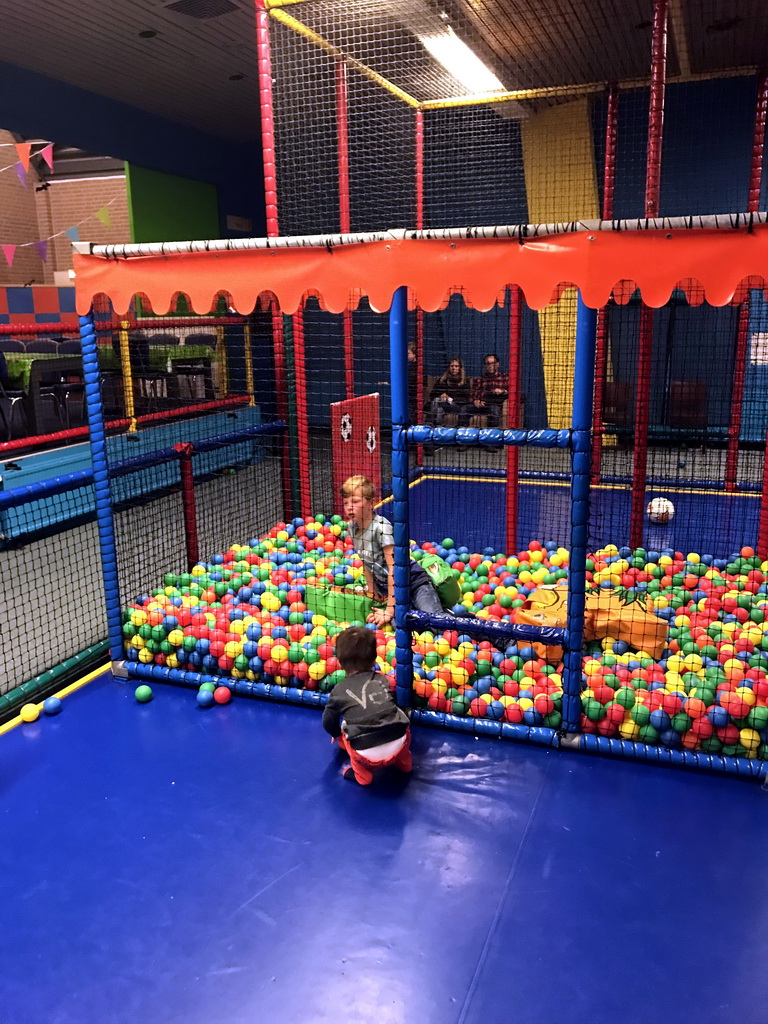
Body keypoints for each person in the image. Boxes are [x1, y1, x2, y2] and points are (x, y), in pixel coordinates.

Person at [342, 474, 443, 626]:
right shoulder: (352, 527)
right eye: (345, 503)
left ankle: (471, 625)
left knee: (436, 623)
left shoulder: (381, 528)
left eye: (355, 501)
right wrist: (372, 592)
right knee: (400, 625)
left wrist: (389, 610)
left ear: (371, 503)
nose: (349, 507)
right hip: (390, 590)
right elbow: (366, 561)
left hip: (413, 583)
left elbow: (394, 569)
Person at [322, 625, 412, 785]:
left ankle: (363, 777)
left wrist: (336, 734)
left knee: (346, 730)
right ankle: (405, 764)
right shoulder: (382, 680)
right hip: (399, 743)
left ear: (340, 663)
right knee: (399, 719)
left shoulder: (339, 690)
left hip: (366, 754)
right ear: (374, 659)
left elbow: (328, 721)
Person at [463, 353, 509, 427]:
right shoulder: (480, 379)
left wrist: (503, 391)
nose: (490, 366)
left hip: (493, 405)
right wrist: (475, 401)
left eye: (492, 363)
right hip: (481, 405)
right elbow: (472, 395)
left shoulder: (505, 378)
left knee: (495, 411)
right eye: (487, 364)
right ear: (485, 366)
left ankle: (493, 434)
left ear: (497, 364)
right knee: (464, 409)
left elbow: (514, 393)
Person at [426, 357, 469, 425]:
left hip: (456, 406)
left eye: (456, 366)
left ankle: (429, 423)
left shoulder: (465, 382)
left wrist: (449, 399)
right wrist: (441, 396)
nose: (453, 368)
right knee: (440, 409)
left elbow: (465, 399)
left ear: (460, 368)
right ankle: (439, 427)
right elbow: (432, 395)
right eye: (452, 366)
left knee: (437, 401)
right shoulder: (442, 380)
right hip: (441, 404)